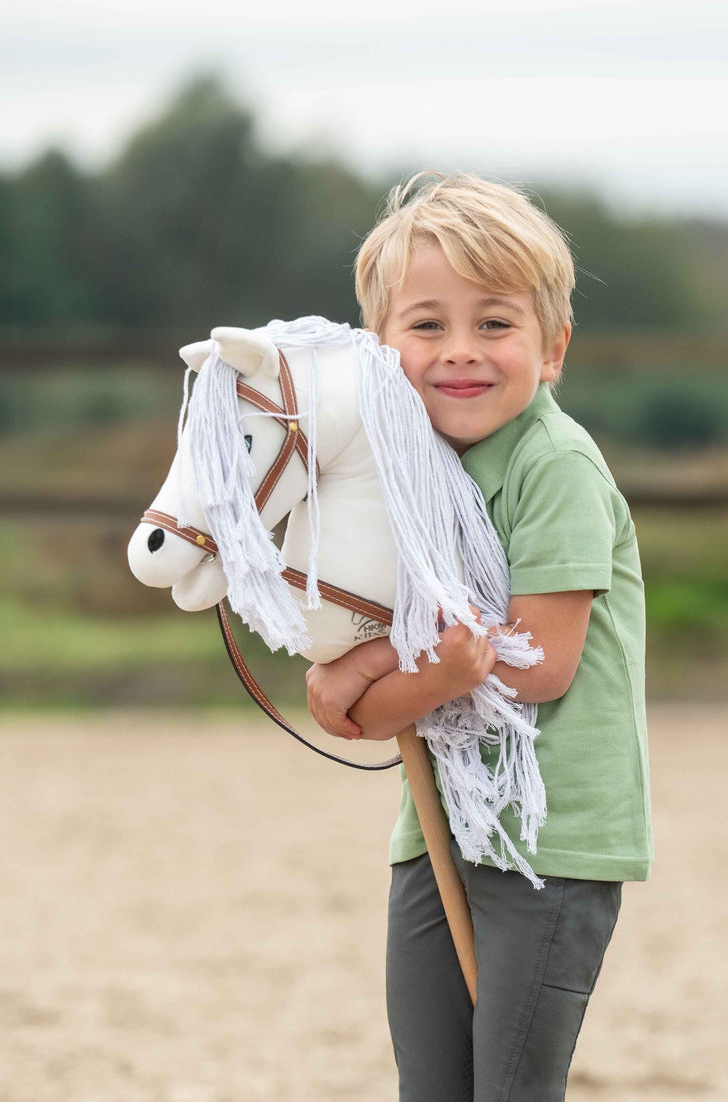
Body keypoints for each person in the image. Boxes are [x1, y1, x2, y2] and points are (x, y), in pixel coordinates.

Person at [305, 171, 652, 1102]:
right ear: (381, 350)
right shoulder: (409, 478)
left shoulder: (556, 466)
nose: (461, 352)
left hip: (551, 839)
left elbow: (536, 662)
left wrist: (381, 668)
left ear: (553, 348)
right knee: (434, 1086)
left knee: (508, 1089)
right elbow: (398, 663)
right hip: (437, 828)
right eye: (426, 326)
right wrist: (350, 678)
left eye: (495, 324)